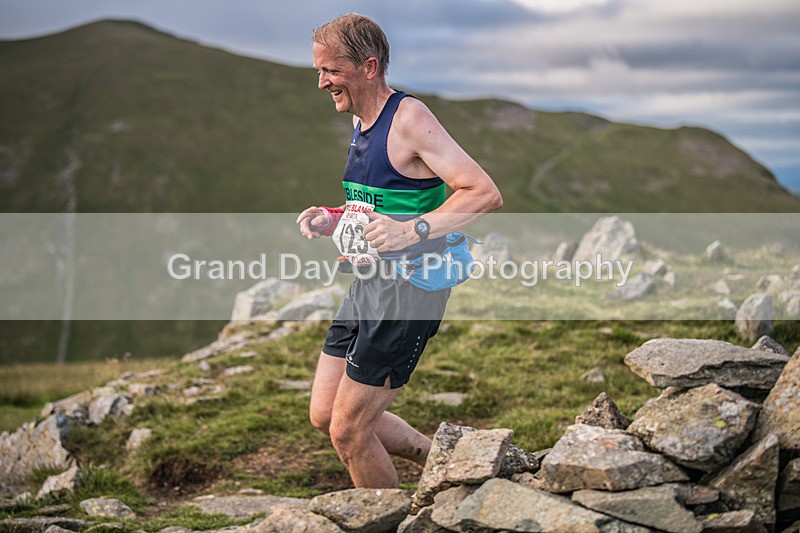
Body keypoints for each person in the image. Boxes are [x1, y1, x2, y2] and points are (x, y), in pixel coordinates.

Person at [296, 13, 502, 489]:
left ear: (369, 67)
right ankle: (444, 463)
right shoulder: (359, 118)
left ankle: (385, 519)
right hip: (370, 282)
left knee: (349, 432)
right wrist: (336, 218)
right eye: (319, 70)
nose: (322, 81)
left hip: (410, 292)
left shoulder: (409, 118)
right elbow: (382, 200)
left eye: (331, 71)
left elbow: (483, 192)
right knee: (325, 414)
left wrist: (413, 232)